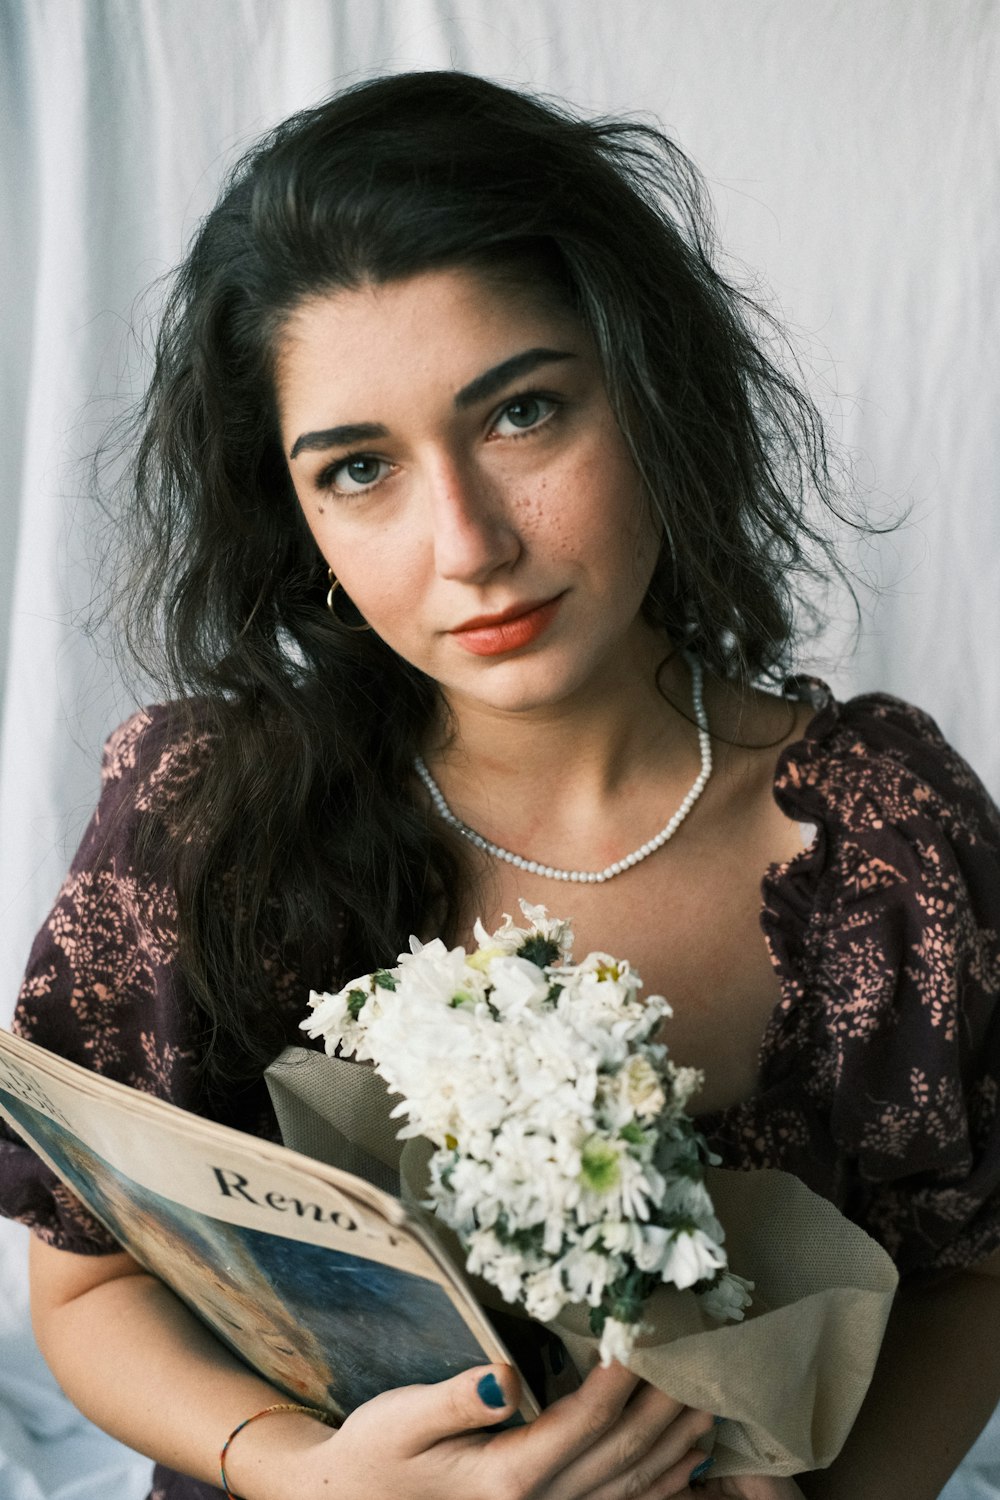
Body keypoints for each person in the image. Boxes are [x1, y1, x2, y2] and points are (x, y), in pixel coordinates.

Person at [1, 68, 999, 1500]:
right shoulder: (203, 817)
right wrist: (307, 1475)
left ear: (651, 393)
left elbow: (974, 1274)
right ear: (294, 514)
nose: (464, 542)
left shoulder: (884, 838)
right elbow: (86, 1288)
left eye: (522, 414)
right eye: (359, 469)